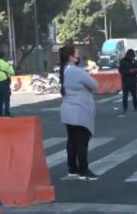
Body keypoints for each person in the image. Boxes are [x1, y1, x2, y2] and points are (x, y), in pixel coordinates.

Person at [59, 44, 99, 181]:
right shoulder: (76, 71)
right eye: (76, 53)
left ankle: (72, 168)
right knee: (82, 142)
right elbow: (94, 85)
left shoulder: (64, 70)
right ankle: (83, 170)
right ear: (71, 57)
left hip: (68, 111)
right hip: (79, 110)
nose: (78, 56)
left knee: (72, 140)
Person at [0, 52, 15, 117]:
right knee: (6, 99)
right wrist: (10, 65)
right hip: (4, 83)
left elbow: (0, 68)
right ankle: (7, 113)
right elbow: (12, 73)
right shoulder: (4, 64)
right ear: (3, 57)